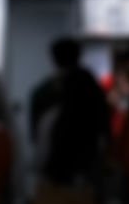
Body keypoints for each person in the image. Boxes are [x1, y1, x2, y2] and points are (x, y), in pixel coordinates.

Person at [30, 38, 111, 184]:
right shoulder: (91, 87)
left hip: (56, 161)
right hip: (87, 158)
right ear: (79, 56)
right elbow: (103, 125)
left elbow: (36, 134)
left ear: (53, 59)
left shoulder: (43, 92)